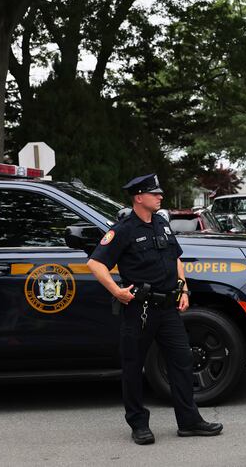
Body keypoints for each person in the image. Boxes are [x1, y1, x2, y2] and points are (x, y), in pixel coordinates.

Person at [87, 173, 222, 445]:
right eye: (154, 193)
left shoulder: (161, 223)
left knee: (182, 362)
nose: (160, 196)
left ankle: (189, 421)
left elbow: (176, 259)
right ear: (139, 197)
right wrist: (116, 291)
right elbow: (95, 264)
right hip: (140, 310)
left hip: (168, 307)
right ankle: (138, 424)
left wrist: (183, 289)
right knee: (133, 367)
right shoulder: (123, 229)